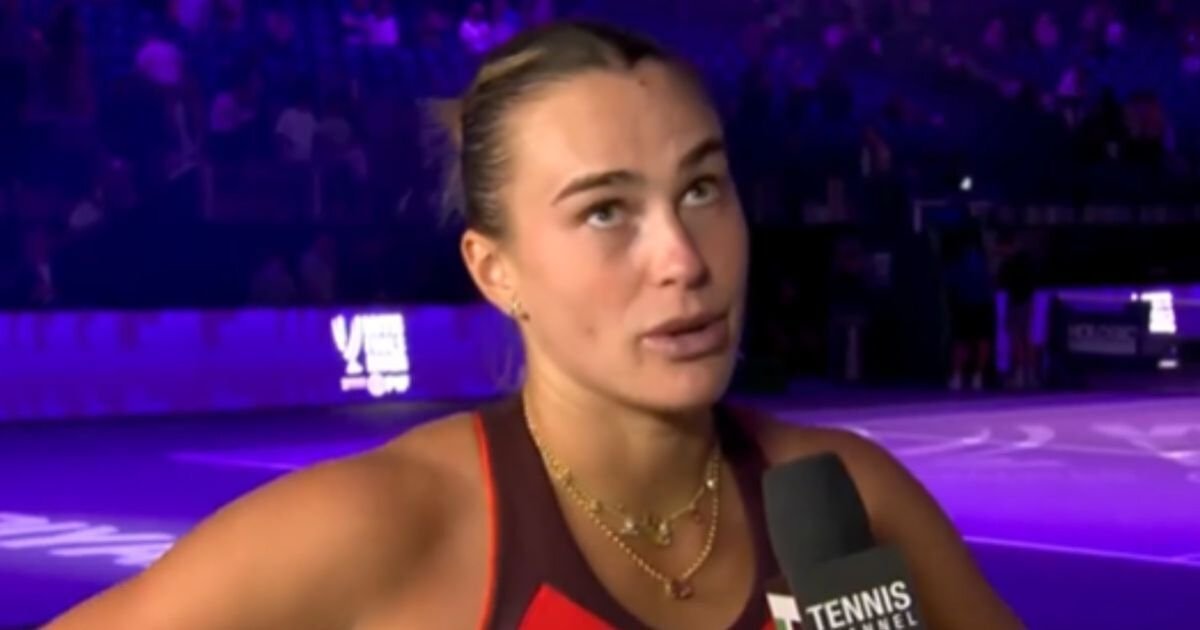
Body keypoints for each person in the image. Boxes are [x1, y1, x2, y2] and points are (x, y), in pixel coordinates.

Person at [48, 21, 1020, 630]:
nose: (682, 259)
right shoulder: (390, 527)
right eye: (605, 211)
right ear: (494, 269)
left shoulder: (849, 499)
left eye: (701, 189)